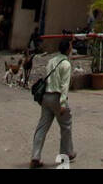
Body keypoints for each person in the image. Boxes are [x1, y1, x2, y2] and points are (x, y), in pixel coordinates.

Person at [30, 37, 76, 168]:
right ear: (68, 49)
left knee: (42, 127)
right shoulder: (66, 64)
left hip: (46, 97)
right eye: (71, 47)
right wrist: (62, 103)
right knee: (66, 126)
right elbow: (64, 85)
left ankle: (35, 156)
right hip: (57, 97)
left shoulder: (51, 61)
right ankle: (66, 153)